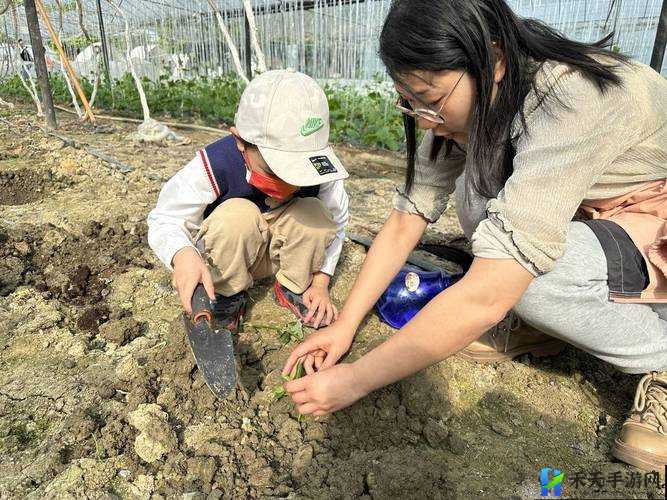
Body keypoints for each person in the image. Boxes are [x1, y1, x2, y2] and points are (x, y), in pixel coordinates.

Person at [281, 0, 667, 472]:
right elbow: (407, 218)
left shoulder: (572, 98)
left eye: (431, 97)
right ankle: (549, 325)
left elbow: (486, 295)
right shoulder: (480, 96)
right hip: (599, 213)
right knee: (479, 202)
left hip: (653, 212)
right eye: (409, 100)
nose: (423, 118)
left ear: (495, 60)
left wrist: (358, 379)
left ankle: (660, 357)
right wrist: (344, 328)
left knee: (534, 280)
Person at [147, 69, 350, 330]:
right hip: (233, 255)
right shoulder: (215, 163)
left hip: (285, 255)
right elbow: (165, 217)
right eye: (274, 171)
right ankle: (229, 293)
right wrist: (182, 254)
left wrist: (320, 283)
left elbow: (339, 222)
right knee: (236, 216)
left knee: (316, 215)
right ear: (241, 141)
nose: (288, 184)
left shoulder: (323, 169)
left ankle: (292, 286)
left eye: (298, 173)